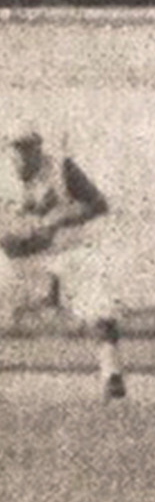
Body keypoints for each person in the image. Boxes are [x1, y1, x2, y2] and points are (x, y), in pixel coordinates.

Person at [0, 121, 120, 400]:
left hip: (62, 251)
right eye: (18, 147)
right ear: (7, 149)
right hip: (15, 256)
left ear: (39, 146)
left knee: (96, 289)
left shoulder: (61, 168)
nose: (24, 153)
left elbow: (98, 203)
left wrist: (58, 219)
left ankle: (111, 372)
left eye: (30, 145)